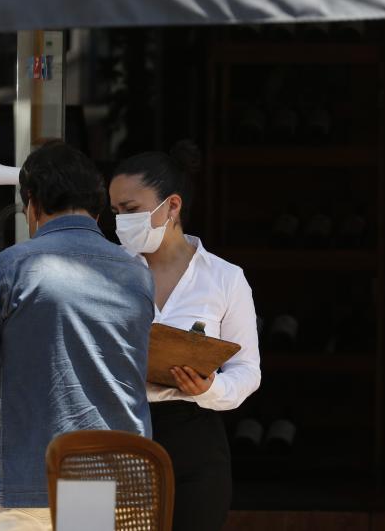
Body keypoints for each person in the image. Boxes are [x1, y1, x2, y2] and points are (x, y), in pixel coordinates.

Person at [0, 141, 155, 531]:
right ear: (97, 207)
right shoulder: (137, 274)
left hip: (39, 482)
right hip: (118, 479)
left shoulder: (9, 269)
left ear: (31, 204)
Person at [109, 141, 261, 531]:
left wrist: (208, 389)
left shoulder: (225, 278)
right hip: (111, 427)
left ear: (172, 206)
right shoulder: (105, 272)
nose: (121, 222)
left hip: (193, 434)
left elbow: (247, 370)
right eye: (114, 212)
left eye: (131, 211)